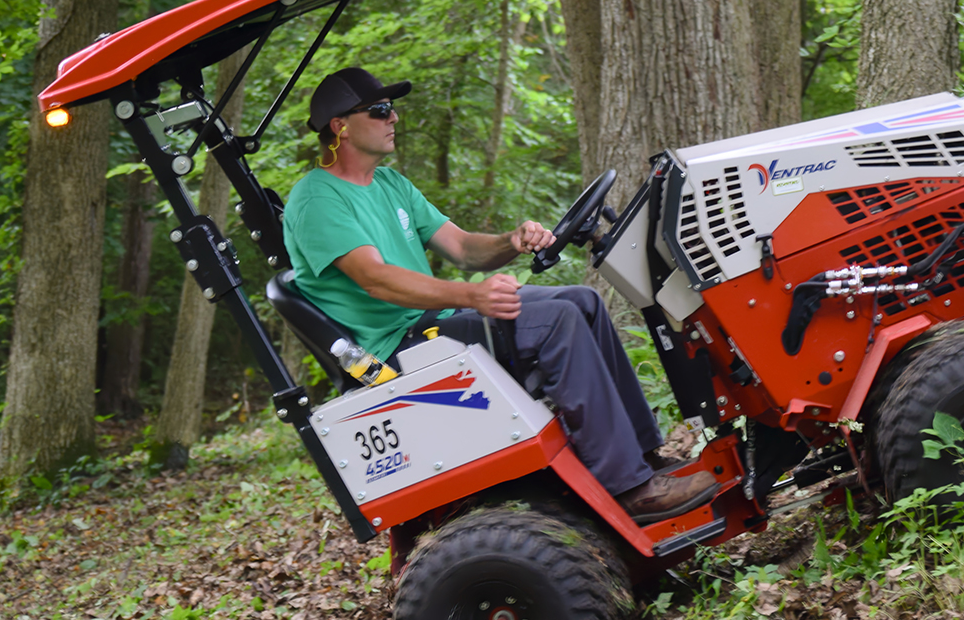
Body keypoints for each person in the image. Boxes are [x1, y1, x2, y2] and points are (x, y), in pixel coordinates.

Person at [282, 66, 718, 522]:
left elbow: (463, 247)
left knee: (582, 301)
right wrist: (473, 297)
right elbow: (376, 279)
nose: (394, 118)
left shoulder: (392, 185)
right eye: (381, 110)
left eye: (393, 109)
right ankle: (629, 487)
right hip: (398, 347)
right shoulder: (317, 199)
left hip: (435, 324)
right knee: (557, 322)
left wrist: (510, 240)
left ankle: (645, 459)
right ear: (340, 126)